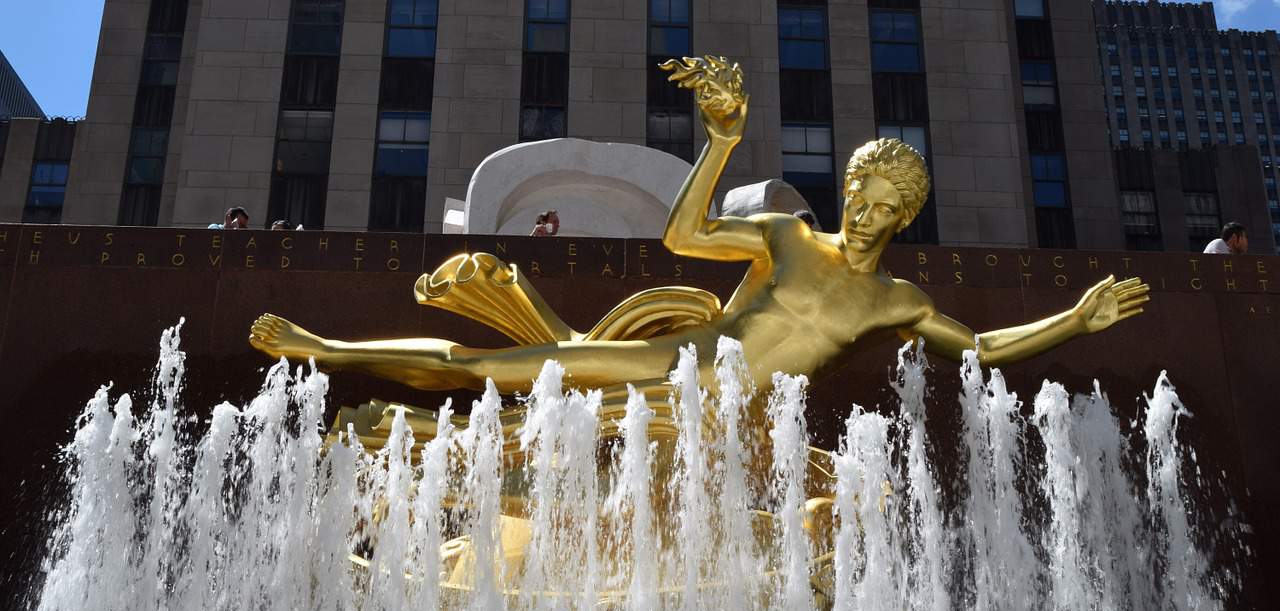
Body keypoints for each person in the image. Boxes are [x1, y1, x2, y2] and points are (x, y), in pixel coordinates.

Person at [249, 56, 1149, 397]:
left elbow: (983, 349)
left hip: (742, 417)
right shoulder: (792, 239)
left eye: (890, 208)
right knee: (499, 373)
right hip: (682, 364)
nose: (872, 217)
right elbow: (684, 237)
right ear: (847, 193)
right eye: (864, 198)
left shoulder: (896, 300)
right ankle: (322, 347)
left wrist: (1075, 318)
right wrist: (720, 141)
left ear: (909, 216)